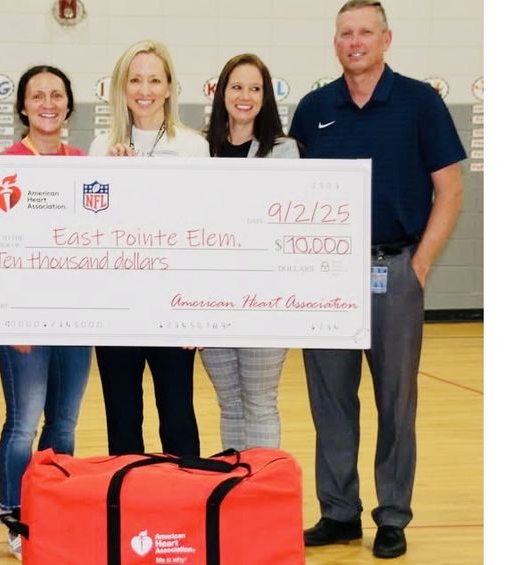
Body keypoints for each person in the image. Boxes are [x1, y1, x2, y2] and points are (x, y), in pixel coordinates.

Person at [288, 1, 466, 558]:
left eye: (366, 32)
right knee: (331, 402)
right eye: (346, 33)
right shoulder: (314, 108)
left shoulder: (420, 102)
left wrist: (419, 265)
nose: (355, 41)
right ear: (334, 42)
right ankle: (339, 513)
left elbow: (451, 190)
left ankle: (392, 515)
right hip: (326, 277)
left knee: (396, 401)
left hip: (394, 269)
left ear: (386, 39)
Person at [89, 40, 207, 457]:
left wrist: (196, 310)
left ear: (171, 87)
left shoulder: (194, 147)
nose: (145, 89)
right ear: (121, 89)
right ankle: (130, 513)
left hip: (173, 306)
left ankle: (189, 509)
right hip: (117, 306)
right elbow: (91, 233)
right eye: (135, 80)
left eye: (154, 79)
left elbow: (201, 232)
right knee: (122, 419)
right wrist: (113, 181)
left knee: (177, 417)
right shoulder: (101, 148)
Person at [0, 65, 92, 561]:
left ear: (68, 105)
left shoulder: (83, 164)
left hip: (76, 317)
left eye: (57, 94)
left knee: (65, 426)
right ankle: (14, 513)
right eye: (38, 96)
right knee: (24, 422)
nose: (48, 103)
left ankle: (56, 509)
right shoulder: (5, 164)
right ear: (24, 106)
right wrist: (12, 317)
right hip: (24, 322)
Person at [200, 53, 299, 452]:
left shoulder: (284, 151)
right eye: (237, 87)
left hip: (264, 302)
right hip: (210, 300)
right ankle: (237, 496)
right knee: (229, 406)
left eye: (255, 88)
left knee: (259, 403)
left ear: (265, 97)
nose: (245, 96)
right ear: (222, 93)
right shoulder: (200, 150)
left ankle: (262, 496)